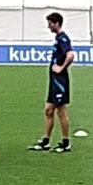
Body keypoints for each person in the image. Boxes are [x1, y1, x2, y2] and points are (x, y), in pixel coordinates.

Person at [30, 12, 75, 153]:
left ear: (56, 23)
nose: (48, 26)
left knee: (61, 111)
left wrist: (61, 68)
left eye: (50, 23)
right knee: (49, 110)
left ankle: (65, 142)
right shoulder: (58, 38)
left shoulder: (63, 39)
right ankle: (46, 141)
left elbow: (71, 54)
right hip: (55, 81)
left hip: (60, 81)